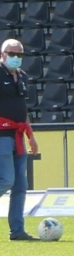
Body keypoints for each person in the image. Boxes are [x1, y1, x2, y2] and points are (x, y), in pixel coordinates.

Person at [0, 39, 37, 242]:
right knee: (7, 179)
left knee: (21, 185)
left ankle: (17, 230)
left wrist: (31, 136)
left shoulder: (22, 76)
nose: (15, 57)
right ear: (2, 53)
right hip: (1, 135)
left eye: (19, 54)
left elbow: (23, 109)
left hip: (18, 135)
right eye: (11, 53)